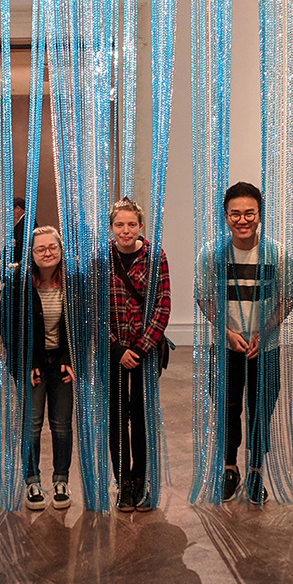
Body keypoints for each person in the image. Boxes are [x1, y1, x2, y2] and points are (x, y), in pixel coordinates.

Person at [195, 181, 293, 505]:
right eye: (235, 214)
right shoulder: (211, 253)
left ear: (259, 214)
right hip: (225, 349)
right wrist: (227, 332)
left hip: (264, 348)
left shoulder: (277, 252)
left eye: (249, 213)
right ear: (226, 216)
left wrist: (263, 332)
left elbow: (288, 296)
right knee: (227, 409)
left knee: (260, 411)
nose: (242, 220)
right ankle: (229, 468)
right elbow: (203, 298)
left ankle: (255, 471)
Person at [107, 198, 171, 512]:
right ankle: (124, 483)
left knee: (142, 418)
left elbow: (162, 305)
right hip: (114, 354)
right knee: (117, 419)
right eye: (120, 224)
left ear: (140, 226)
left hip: (145, 353)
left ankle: (142, 478)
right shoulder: (101, 260)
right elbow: (94, 311)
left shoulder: (156, 256)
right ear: (112, 227)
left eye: (131, 224)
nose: (126, 230)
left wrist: (142, 347)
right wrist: (117, 349)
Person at [10, 226, 75, 511]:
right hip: (33, 364)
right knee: (32, 425)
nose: (47, 253)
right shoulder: (19, 282)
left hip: (63, 363)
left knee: (62, 425)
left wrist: (71, 359)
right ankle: (32, 481)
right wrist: (27, 364)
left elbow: (81, 326)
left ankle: (61, 480)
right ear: (31, 253)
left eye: (52, 248)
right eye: (40, 249)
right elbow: (8, 327)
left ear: (60, 251)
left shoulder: (73, 282)